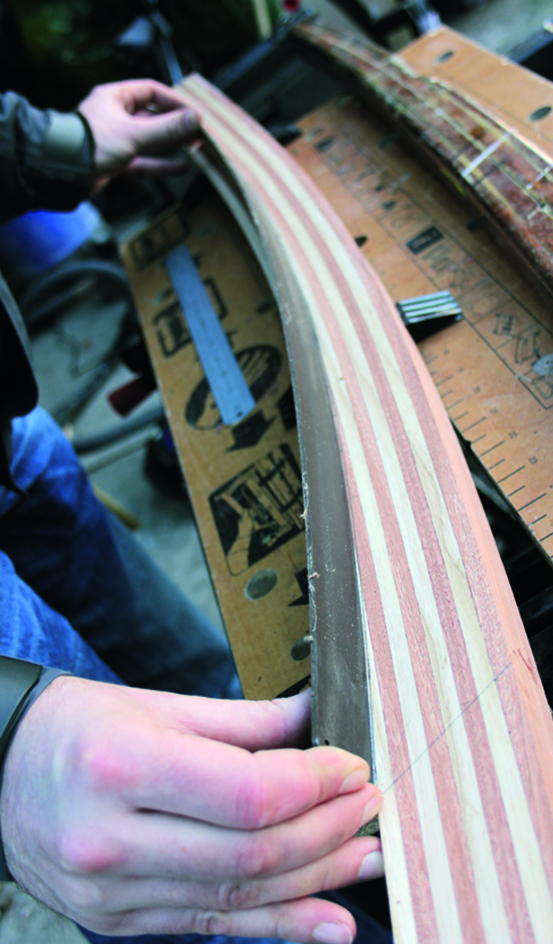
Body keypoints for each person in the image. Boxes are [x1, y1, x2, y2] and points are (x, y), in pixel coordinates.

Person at [0, 79, 384, 943]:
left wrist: (51, 143)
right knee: (156, 851)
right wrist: (3, 739)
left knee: (212, 712)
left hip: (8, 433)